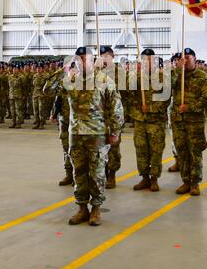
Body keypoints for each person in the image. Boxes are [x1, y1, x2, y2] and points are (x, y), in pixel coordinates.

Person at [63, 47, 124, 226]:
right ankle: (82, 208)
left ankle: (96, 208)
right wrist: (64, 72)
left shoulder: (104, 80)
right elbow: (47, 91)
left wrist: (115, 131)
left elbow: (116, 108)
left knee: (97, 173)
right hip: (76, 133)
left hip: (97, 134)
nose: (82, 62)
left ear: (92, 60)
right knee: (79, 173)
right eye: (78, 59)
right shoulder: (71, 80)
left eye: (85, 59)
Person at [128, 48, 171, 192]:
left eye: (149, 60)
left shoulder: (162, 77)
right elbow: (130, 96)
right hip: (140, 120)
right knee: (141, 150)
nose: (146, 63)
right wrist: (138, 109)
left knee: (156, 151)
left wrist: (150, 108)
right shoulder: (137, 78)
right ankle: (144, 177)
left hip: (156, 121)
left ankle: (154, 179)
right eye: (143, 60)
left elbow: (165, 98)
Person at [171, 48, 207, 196]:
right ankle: (185, 181)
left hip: (194, 121)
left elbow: (206, 98)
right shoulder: (177, 75)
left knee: (195, 152)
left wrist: (189, 107)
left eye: (188, 57)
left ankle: (195, 183)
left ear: (195, 59)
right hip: (178, 121)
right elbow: (167, 88)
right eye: (183, 58)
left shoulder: (202, 76)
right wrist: (177, 70)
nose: (185, 60)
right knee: (182, 152)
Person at [99, 45, 125, 189]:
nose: (103, 59)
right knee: (100, 146)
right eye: (101, 56)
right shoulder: (97, 72)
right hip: (99, 116)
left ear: (112, 57)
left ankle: (112, 174)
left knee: (113, 147)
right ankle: (101, 173)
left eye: (106, 56)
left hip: (113, 115)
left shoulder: (119, 72)